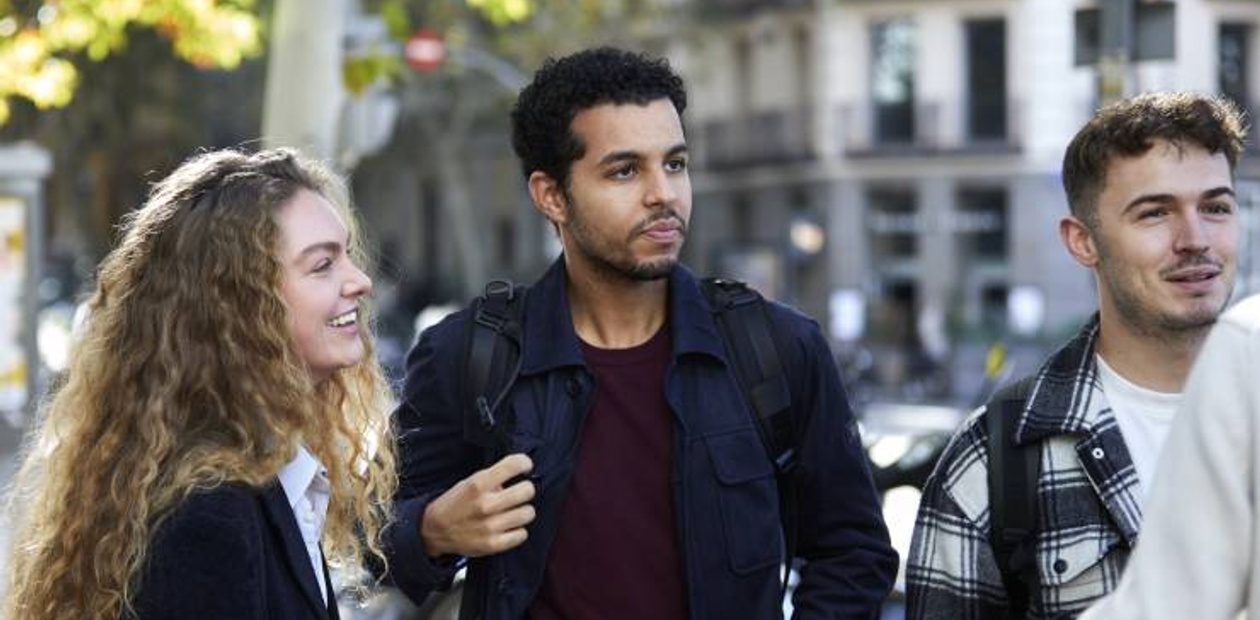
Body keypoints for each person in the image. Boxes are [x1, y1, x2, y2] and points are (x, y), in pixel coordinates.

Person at [385, 46, 897, 619]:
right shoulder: (468, 356)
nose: (664, 194)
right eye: (625, 170)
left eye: (674, 163)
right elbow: (370, 542)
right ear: (551, 195)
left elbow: (855, 554)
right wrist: (430, 530)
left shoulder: (777, 349)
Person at [2, 148, 398, 620]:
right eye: (321, 265)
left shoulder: (260, 482)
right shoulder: (212, 518)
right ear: (241, 305)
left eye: (346, 255)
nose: (360, 281)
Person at [905, 91, 1247, 619]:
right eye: (1155, 213)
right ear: (1082, 241)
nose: (1195, 238)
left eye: (1216, 207)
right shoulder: (993, 458)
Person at [1076, 292, 1260, 620]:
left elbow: (1172, 608)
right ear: (1081, 241)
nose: (1194, 241)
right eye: (1149, 234)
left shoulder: (1248, 339)